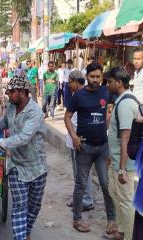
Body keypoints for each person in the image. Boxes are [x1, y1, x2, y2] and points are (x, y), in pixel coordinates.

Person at [0, 76, 47, 240]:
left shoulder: (35, 112)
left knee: (34, 207)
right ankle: (20, 237)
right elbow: (3, 123)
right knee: (20, 206)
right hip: (16, 165)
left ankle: (26, 233)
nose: (9, 94)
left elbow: (23, 137)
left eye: (12, 91)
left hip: (37, 167)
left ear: (23, 92)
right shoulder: (12, 108)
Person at [64, 63, 116, 234]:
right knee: (80, 184)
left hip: (102, 148)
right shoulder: (78, 96)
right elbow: (67, 117)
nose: (95, 80)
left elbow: (111, 109)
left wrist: (108, 119)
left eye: (98, 77)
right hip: (84, 148)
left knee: (106, 184)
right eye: (92, 77)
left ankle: (112, 220)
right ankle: (77, 219)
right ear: (86, 77)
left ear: (102, 77)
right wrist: (74, 137)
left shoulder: (106, 92)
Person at [107, 67, 139, 240]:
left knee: (126, 200)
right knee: (115, 194)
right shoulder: (121, 100)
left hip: (124, 164)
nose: (107, 85)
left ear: (119, 83)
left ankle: (128, 235)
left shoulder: (126, 103)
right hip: (117, 160)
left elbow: (125, 138)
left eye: (110, 82)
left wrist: (122, 170)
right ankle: (121, 230)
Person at [65, 70, 94, 211]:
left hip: (80, 139)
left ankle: (86, 200)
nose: (69, 85)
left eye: (70, 82)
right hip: (74, 138)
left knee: (83, 172)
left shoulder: (84, 95)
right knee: (78, 172)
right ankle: (79, 198)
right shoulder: (76, 95)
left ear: (76, 81)